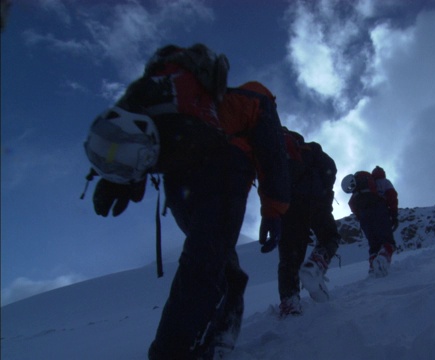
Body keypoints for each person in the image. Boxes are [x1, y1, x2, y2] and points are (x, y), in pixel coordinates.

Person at [83, 44, 290, 360]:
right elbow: (272, 154)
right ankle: (183, 349)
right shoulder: (250, 98)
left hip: (179, 187)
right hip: (222, 175)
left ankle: (217, 334)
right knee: (206, 265)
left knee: (212, 262)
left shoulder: (160, 90)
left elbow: (123, 127)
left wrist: (114, 180)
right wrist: (274, 209)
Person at [276, 127, 341, 317]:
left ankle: (289, 302)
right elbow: (330, 168)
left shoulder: (271, 149)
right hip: (314, 198)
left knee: (289, 256)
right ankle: (316, 263)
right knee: (330, 236)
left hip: (286, 205)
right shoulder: (310, 148)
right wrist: (326, 193)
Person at [341, 166, 398, 277]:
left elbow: (351, 204)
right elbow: (392, 196)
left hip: (364, 216)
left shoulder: (358, 189)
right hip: (379, 210)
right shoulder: (382, 182)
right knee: (388, 241)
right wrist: (394, 214)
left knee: (374, 244)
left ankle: (373, 267)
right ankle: (382, 259)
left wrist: (361, 216)